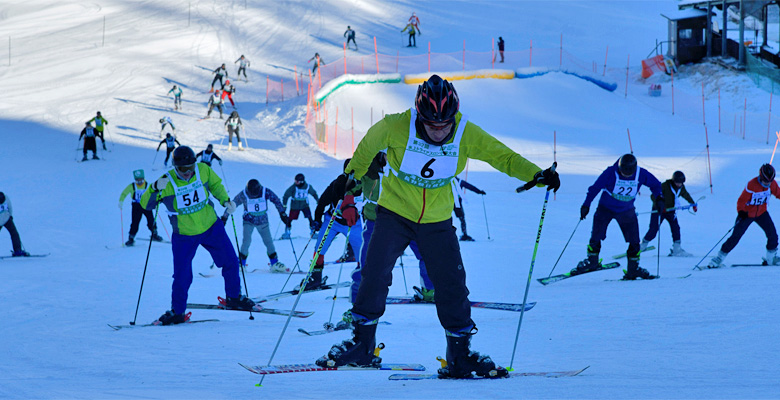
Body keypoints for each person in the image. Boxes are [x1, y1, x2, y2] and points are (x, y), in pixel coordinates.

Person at [315, 75, 559, 379]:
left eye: (446, 125)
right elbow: (365, 151)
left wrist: (536, 173)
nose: (440, 131)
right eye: (432, 125)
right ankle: (362, 345)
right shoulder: (394, 126)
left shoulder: (465, 131)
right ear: (419, 115)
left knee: (452, 284)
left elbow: (503, 157)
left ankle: (460, 355)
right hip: (393, 214)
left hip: (437, 221)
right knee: (374, 274)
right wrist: (348, 178)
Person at [140, 146, 255, 325]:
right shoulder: (166, 182)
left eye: (190, 167)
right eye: (182, 169)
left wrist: (225, 200)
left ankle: (234, 297)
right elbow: (146, 205)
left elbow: (216, 185)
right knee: (182, 274)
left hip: (211, 227)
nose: (187, 172)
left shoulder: (203, 170)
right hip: (184, 235)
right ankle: (177, 312)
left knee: (231, 261)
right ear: (175, 167)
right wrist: (153, 188)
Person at [576, 154, 662, 280]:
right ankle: (592, 262)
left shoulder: (641, 173)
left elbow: (656, 185)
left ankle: (633, 269)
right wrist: (586, 205)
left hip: (626, 211)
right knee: (596, 235)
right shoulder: (610, 172)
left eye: (629, 173)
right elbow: (595, 188)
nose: (626, 175)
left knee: (634, 240)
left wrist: (659, 197)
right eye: (623, 172)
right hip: (605, 208)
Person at [301, 159, 364, 291]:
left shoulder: (364, 184)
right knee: (319, 248)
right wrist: (317, 220)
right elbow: (322, 202)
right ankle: (315, 277)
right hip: (333, 220)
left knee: (362, 252)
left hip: (353, 224)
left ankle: (363, 278)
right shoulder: (337, 184)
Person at [708, 164, 780, 267]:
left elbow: (778, 193)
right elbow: (741, 200)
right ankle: (719, 257)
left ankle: (771, 258)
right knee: (736, 236)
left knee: (772, 234)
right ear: (761, 177)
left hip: (762, 213)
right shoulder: (752, 184)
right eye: (765, 182)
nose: (767, 184)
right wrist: (741, 211)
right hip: (747, 214)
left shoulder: (772, 184)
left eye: (769, 182)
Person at [233, 179, 289, 273]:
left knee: (268, 242)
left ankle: (274, 263)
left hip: (263, 222)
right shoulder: (244, 194)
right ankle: (241, 264)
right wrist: (225, 217)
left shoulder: (265, 191)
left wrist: (282, 213)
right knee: (246, 241)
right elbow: (234, 203)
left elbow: (276, 200)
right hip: (248, 221)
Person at [640, 170, 698, 257]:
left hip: (671, 210)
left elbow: (685, 194)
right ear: (673, 180)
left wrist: (692, 203)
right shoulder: (664, 186)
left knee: (676, 228)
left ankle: (676, 249)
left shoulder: (681, 187)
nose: (679, 184)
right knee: (653, 230)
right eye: (677, 182)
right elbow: (653, 196)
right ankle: (642, 246)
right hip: (659, 210)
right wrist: (660, 206)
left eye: (681, 183)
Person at [119, 169, 163, 246]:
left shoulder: (148, 185)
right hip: (136, 206)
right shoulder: (132, 186)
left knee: (151, 220)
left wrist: (155, 202)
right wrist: (121, 201)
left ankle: (154, 234)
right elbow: (124, 193)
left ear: (143, 179)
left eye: (141, 180)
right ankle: (131, 238)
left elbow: (153, 194)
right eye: (137, 181)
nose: (139, 182)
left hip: (146, 205)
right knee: (135, 222)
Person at [281, 173, 319, 239]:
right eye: (295, 181)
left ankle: (313, 233)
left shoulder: (307, 187)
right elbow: (286, 195)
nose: (295, 182)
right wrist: (284, 205)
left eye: (297, 181)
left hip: (304, 205)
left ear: (301, 181)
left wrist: (318, 200)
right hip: (295, 206)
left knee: (310, 218)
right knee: (289, 219)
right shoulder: (293, 187)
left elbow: (314, 193)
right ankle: (287, 232)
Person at [451, 176, 486, 241]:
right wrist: (479, 191)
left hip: (448, 203)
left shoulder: (447, 181)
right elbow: (470, 187)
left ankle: (444, 234)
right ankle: (464, 234)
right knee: (462, 219)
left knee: (446, 219)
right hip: (457, 204)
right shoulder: (460, 181)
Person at [0, 192, 29, 257]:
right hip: (6, 219)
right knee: (14, 234)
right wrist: (10, 215)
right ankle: (18, 250)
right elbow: (10, 207)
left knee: (14, 233)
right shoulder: (6, 197)